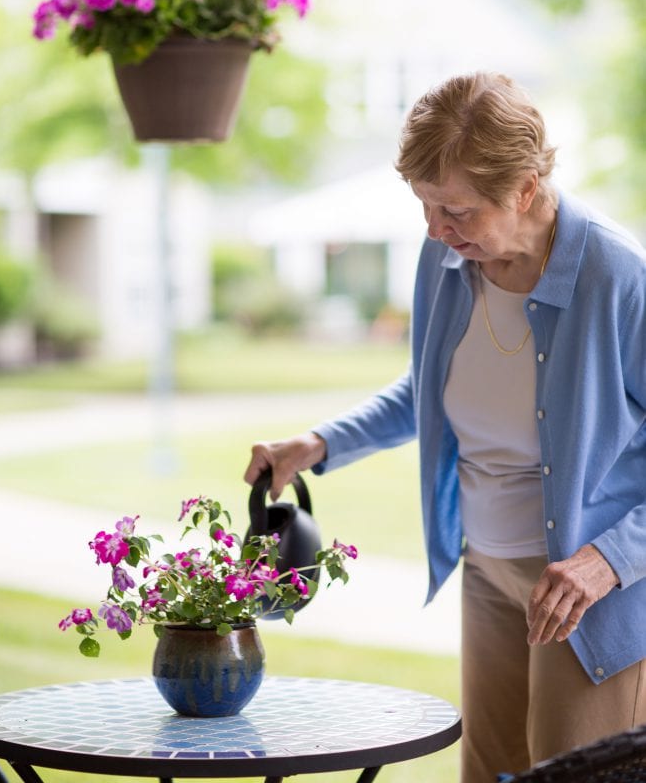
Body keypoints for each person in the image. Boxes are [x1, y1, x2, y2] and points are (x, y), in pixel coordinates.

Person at [244, 71, 646, 783]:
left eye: (454, 210)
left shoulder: (618, 279)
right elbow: (428, 388)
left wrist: (602, 562)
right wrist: (320, 442)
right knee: (484, 771)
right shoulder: (447, 260)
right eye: (424, 205)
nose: (434, 229)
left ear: (524, 189)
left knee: (567, 774)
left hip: (587, 595)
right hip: (486, 568)